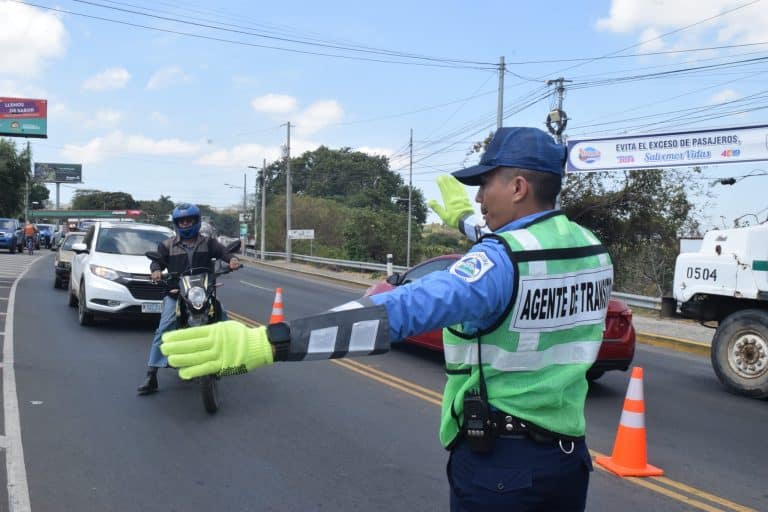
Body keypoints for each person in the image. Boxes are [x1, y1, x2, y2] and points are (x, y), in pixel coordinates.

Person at [159, 128, 614, 511]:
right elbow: (526, 246)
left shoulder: (499, 263)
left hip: (502, 466)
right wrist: (462, 222)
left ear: (517, 188)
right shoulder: (591, 249)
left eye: (486, 183)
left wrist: (268, 343)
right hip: (567, 460)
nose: (478, 197)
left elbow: (398, 310)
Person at [136, 203, 241, 395]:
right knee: (165, 326)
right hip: (176, 292)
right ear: (176, 223)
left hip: (202, 291)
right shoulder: (167, 245)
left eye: (189, 220)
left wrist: (231, 260)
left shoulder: (208, 242)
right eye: (181, 221)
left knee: (223, 318)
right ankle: (152, 375)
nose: (185, 224)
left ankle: (232, 359)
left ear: (196, 221)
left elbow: (224, 253)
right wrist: (156, 270)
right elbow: (157, 259)